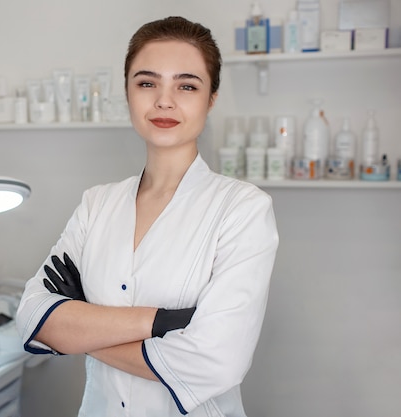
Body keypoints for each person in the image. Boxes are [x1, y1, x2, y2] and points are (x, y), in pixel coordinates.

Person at [16, 16, 279, 417]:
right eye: (147, 82)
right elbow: (32, 317)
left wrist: (80, 326)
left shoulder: (242, 209)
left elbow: (215, 362)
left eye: (187, 85)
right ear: (127, 92)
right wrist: (163, 322)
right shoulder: (96, 204)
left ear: (211, 98)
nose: (164, 100)